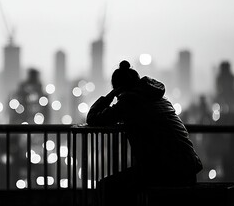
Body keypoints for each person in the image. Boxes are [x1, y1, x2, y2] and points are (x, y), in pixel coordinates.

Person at [87, 60, 203, 206]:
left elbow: (93, 118)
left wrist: (110, 95)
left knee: (106, 187)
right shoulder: (161, 98)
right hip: (187, 166)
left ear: (120, 89)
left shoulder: (129, 101)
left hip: (165, 170)